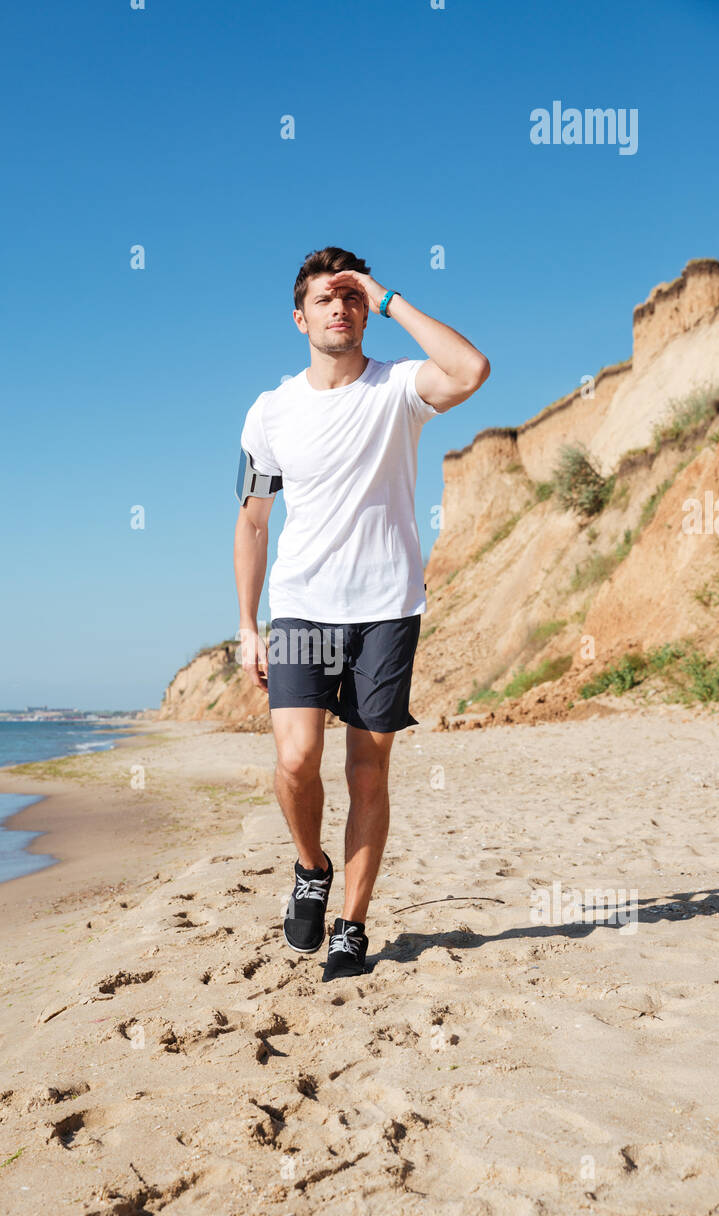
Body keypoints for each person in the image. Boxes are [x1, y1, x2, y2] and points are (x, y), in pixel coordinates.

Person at [233, 246, 489, 982]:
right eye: (324, 297)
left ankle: (351, 924)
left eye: (349, 297)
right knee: (294, 760)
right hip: (303, 610)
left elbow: (471, 371)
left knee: (368, 774)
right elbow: (254, 522)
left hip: (386, 609)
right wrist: (249, 625)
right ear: (299, 317)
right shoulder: (270, 412)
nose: (338, 307)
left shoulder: (400, 387)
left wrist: (390, 296)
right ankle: (309, 866)